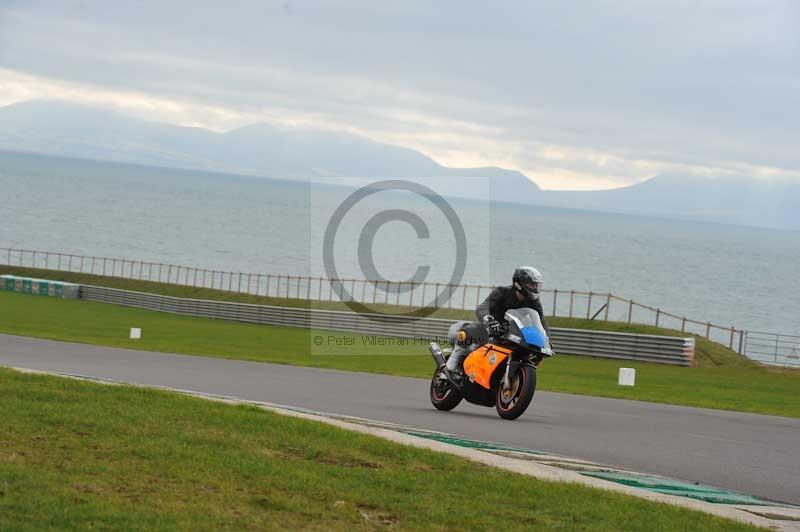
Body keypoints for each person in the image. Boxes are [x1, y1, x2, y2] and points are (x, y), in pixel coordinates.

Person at [443, 266, 550, 383]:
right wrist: (489, 320)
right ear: (519, 284)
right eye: (531, 284)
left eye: (536, 285)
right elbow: (482, 308)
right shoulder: (502, 292)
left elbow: (540, 321)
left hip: (510, 331)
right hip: (488, 325)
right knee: (468, 337)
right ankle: (448, 370)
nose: (535, 288)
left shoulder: (534, 302)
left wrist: (546, 338)